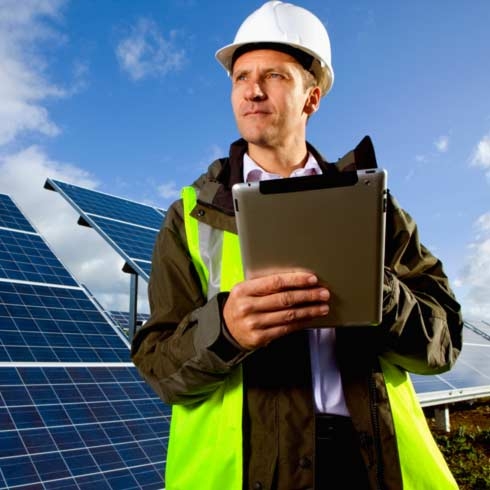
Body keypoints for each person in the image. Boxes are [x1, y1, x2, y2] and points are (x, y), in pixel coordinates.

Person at [132, 2, 463, 489]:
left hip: (368, 461)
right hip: (255, 471)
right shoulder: (189, 217)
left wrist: (379, 294)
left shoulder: (378, 209)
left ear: (311, 98)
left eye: (275, 76)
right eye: (241, 76)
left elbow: (445, 343)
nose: (253, 90)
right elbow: (158, 366)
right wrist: (224, 330)